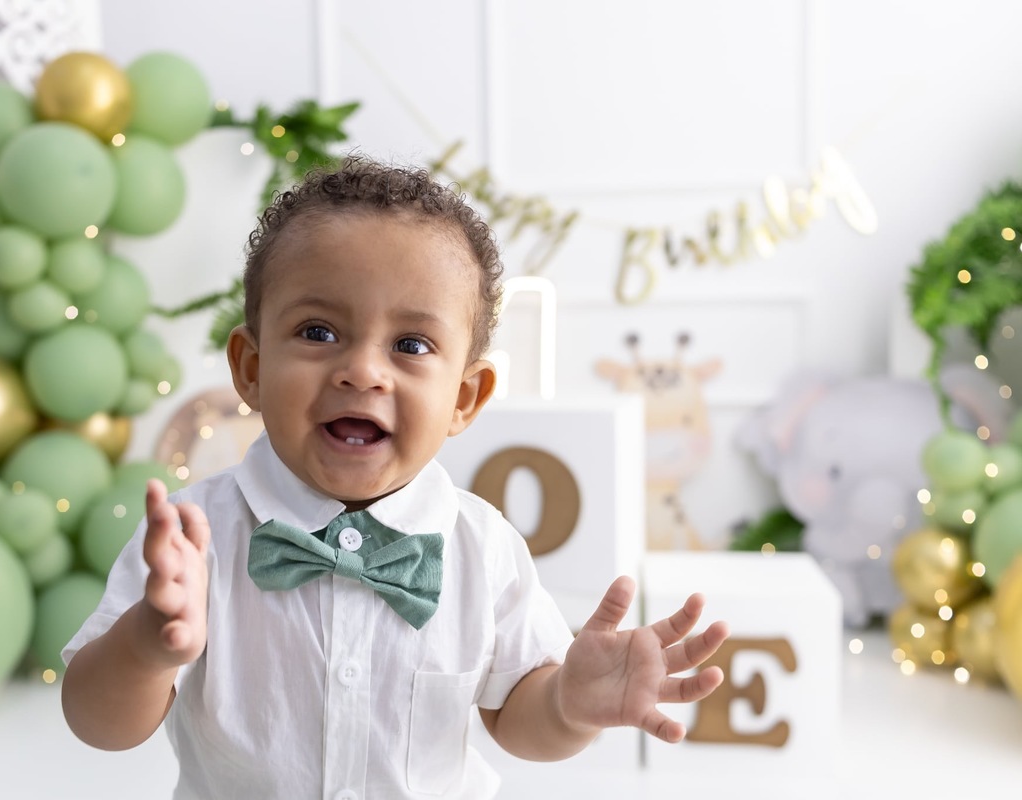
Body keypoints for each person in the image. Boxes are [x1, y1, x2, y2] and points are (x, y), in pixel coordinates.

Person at [61, 156, 730, 798]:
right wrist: (146, 646)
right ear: (252, 369)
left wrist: (568, 705)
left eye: (411, 346)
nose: (364, 372)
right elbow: (98, 724)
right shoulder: (190, 540)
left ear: (466, 397)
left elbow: (519, 724)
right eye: (319, 331)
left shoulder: (483, 546)